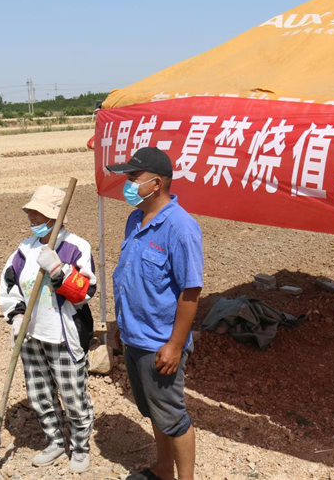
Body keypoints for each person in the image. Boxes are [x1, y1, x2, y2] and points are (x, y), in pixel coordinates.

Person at [107, 147, 204, 480]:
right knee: (153, 411)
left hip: (159, 343)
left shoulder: (181, 228)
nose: (128, 184)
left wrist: (175, 345)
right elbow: (130, 277)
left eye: (134, 178)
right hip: (135, 337)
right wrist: (122, 326)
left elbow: (190, 291)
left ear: (157, 182)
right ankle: (163, 470)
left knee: (173, 417)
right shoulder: (136, 218)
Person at [0, 185, 96, 474]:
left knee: (73, 395)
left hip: (63, 334)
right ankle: (54, 441)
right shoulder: (24, 249)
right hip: (31, 335)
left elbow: (86, 291)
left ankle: (80, 448)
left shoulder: (76, 247)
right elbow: (9, 285)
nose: (31, 218)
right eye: (30, 214)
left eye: (37, 214)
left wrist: (59, 271)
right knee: (40, 394)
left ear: (55, 217)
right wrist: (16, 316)